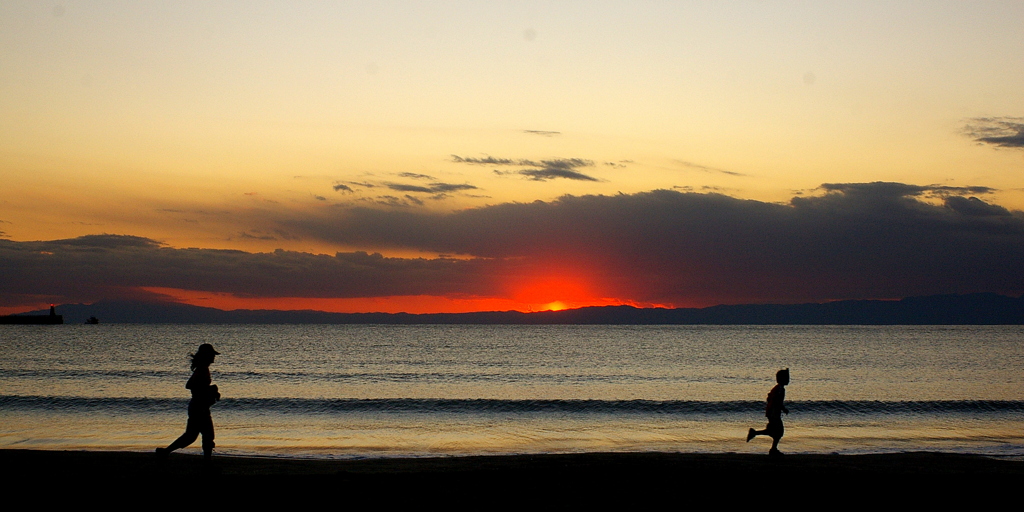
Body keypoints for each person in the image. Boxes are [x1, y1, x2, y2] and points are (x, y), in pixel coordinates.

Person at [156, 343, 221, 461]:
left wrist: (211, 390)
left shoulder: (202, 369)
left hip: (198, 406)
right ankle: (207, 464)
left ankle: (165, 452)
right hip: (199, 407)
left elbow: (193, 385)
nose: (213, 357)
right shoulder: (202, 369)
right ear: (206, 356)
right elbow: (191, 385)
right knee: (207, 436)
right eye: (212, 355)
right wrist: (212, 389)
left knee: (191, 436)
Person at [746, 368, 789, 455]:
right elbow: (776, 400)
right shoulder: (779, 389)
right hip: (773, 413)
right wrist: (783, 408)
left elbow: (770, 398)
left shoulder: (778, 388)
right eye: (787, 378)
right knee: (779, 431)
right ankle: (773, 449)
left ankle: (755, 434)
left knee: (774, 431)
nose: (788, 380)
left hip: (772, 412)